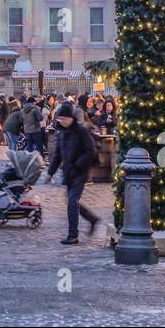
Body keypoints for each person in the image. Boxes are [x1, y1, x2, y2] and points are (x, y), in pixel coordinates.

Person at [48, 102, 101, 244]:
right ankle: (92, 219)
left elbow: (90, 150)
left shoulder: (80, 130)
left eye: (65, 118)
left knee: (72, 201)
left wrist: (78, 164)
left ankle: (73, 235)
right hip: (68, 172)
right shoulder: (60, 133)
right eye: (60, 119)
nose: (62, 121)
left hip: (80, 172)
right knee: (72, 201)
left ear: (71, 118)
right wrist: (50, 172)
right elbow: (57, 155)